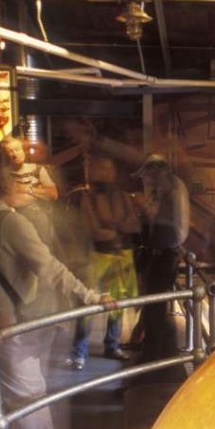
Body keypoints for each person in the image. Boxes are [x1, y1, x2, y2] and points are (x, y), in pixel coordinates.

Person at [0, 156, 104, 429]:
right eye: (19, 181)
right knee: (29, 394)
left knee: (1, 395)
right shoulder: (10, 222)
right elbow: (49, 266)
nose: (26, 186)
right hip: (14, 321)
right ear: (5, 185)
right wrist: (89, 296)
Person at [67, 156, 139, 370]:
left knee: (117, 304)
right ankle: (79, 351)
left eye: (108, 169)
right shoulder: (85, 198)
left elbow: (134, 225)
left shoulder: (123, 197)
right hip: (95, 258)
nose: (105, 174)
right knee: (89, 304)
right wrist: (118, 227)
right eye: (100, 169)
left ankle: (112, 344)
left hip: (121, 257)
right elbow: (95, 231)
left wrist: (112, 227)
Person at [134, 154, 190, 373]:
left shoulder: (172, 189)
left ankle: (152, 358)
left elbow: (173, 226)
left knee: (156, 305)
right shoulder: (166, 189)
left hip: (164, 253)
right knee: (153, 303)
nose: (147, 180)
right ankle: (149, 350)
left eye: (149, 174)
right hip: (159, 252)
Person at [0, 136, 59, 249]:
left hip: (38, 217)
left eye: (17, 149)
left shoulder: (37, 169)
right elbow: (12, 200)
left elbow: (53, 194)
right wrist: (38, 193)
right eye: (10, 152)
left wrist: (27, 189)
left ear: (23, 150)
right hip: (16, 219)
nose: (15, 154)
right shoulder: (5, 173)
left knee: (44, 249)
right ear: (6, 155)